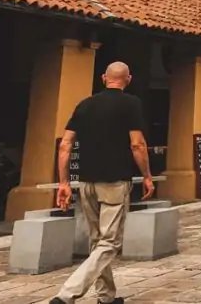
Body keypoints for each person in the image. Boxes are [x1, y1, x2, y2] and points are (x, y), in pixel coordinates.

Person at [50, 62, 153, 304]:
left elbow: (65, 145)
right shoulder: (131, 104)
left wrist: (64, 182)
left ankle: (106, 297)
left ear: (103, 78)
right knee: (110, 242)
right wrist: (147, 175)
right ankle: (66, 294)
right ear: (128, 79)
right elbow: (137, 144)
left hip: (86, 181)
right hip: (114, 181)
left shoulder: (85, 105)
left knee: (98, 241)